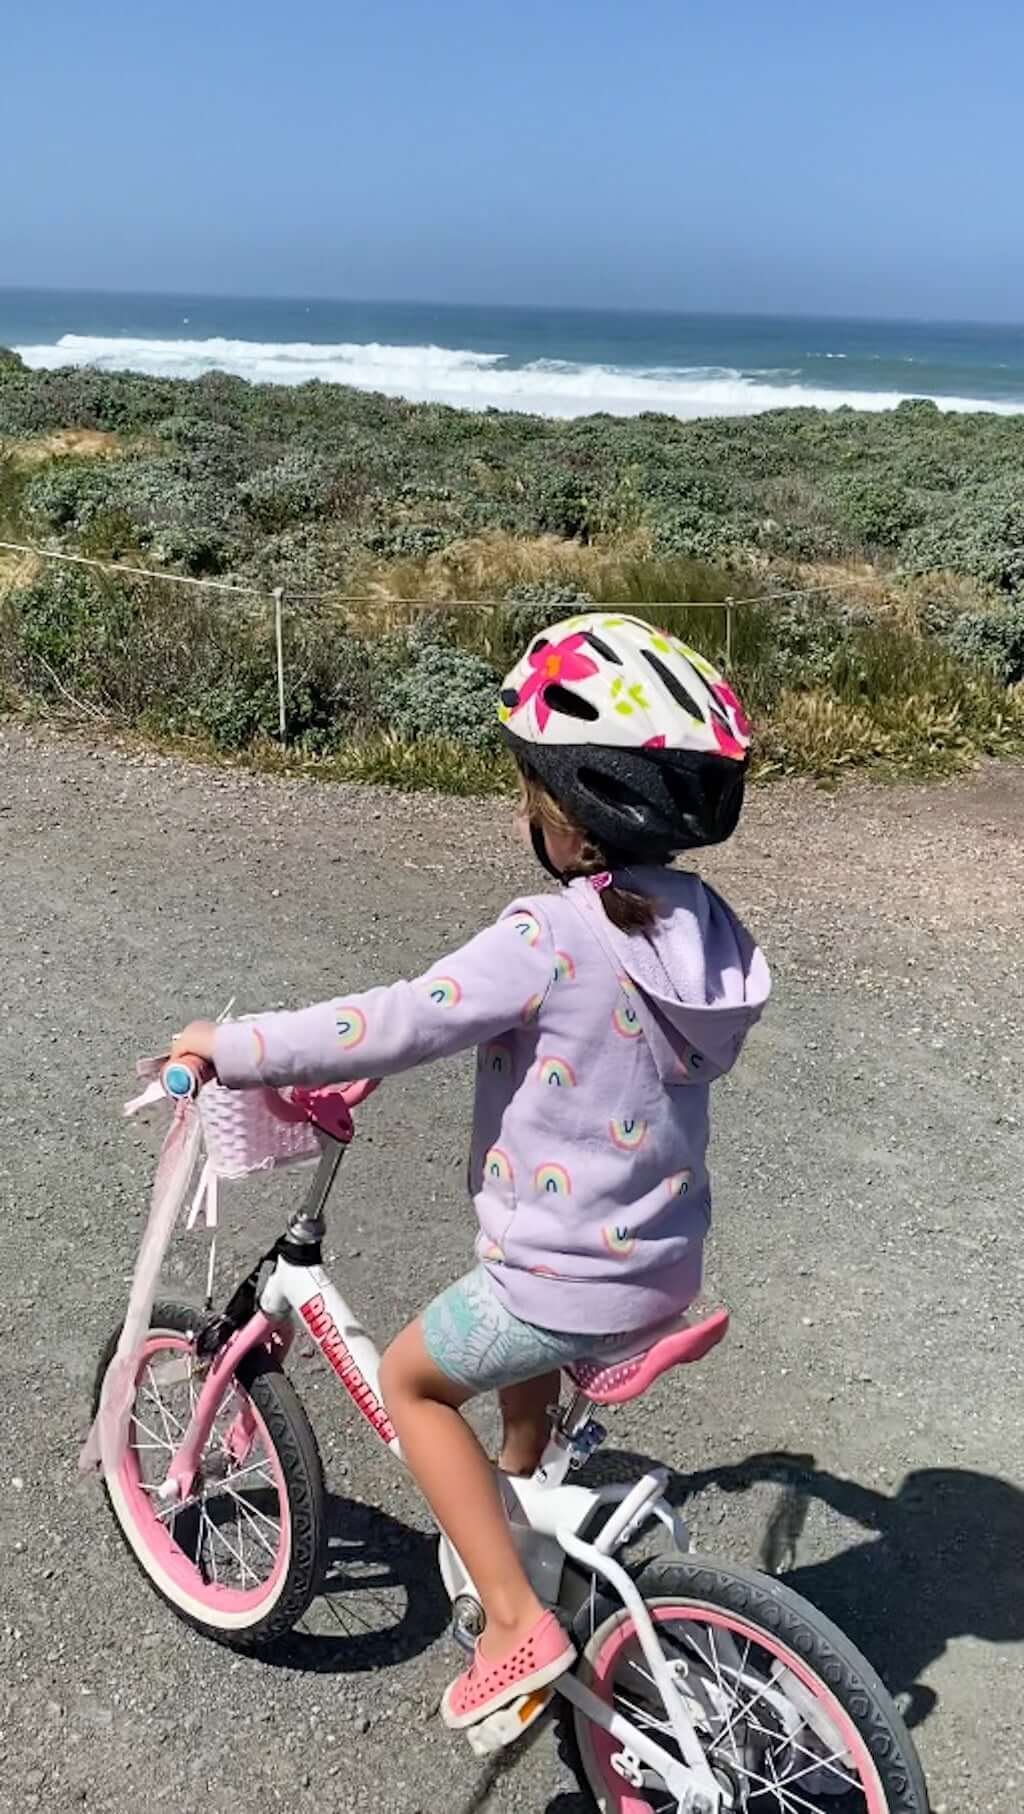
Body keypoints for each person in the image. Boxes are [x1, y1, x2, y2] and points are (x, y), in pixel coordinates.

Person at [171, 611, 770, 1732]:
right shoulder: (702, 929)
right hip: (660, 1260)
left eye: (528, 793)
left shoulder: (550, 933)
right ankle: (524, 1480)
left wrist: (234, 1044)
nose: (519, 812)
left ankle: (511, 1618)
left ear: (572, 814)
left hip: (561, 1278)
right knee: (517, 1340)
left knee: (412, 1377)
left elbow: (396, 1020)